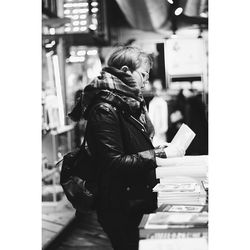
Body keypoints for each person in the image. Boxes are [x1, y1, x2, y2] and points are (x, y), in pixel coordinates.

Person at [68, 46, 184, 250]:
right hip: (120, 206)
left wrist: (155, 147)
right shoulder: (105, 108)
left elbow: (130, 145)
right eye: (143, 74)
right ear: (125, 70)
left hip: (135, 199)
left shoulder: (128, 102)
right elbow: (113, 161)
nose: (146, 80)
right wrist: (158, 154)